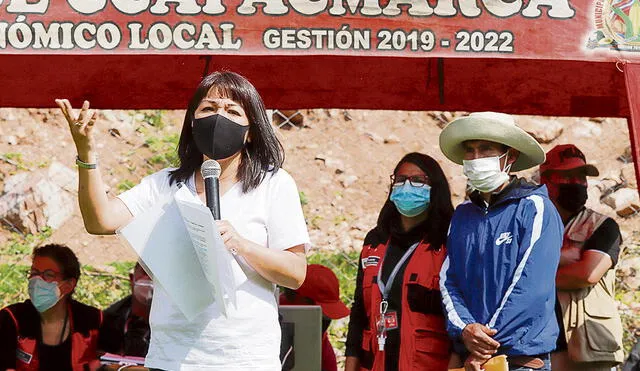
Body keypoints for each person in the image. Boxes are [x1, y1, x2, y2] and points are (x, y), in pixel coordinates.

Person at [55, 70, 310, 370]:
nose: (219, 117)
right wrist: (87, 154)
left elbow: (295, 272)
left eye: (232, 111)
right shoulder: (164, 184)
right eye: (209, 108)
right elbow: (100, 221)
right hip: (173, 357)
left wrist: (241, 244)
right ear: (192, 121)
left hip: (245, 358)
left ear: (250, 130)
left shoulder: (274, 184)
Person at [438, 112, 563, 371]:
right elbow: (448, 280)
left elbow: (531, 288)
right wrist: (465, 328)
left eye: (486, 149)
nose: (475, 158)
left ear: (511, 156)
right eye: (470, 151)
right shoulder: (462, 215)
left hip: (521, 362)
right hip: (472, 359)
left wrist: (484, 347)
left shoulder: (535, 208)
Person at [344, 152, 456, 371]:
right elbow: (359, 312)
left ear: (435, 188)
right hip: (377, 362)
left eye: (418, 181)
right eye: (401, 179)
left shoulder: (449, 241)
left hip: (427, 364)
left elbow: (459, 321)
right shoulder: (375, 240)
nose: (407, 186)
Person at [539, 144, 624, 371]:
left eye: (582, 177)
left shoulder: (603, 226)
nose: (577, 183)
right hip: (539, 345)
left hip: (588, 346)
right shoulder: (531, 224)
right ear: (546, 180)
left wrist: (533, 276)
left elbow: (587, 274)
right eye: (568, 176)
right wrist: (564, 259)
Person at [0, 243, 102, 371]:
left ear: (68, 285)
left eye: (48, 275)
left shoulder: (93, 321)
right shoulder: (12, 319)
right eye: (34, 273)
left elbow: (113, 361)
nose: (37, 280)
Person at [279, 264, 351, 371]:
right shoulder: (267, 322)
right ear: (297, 298)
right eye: (322, 315)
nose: (325, 321)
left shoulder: (321, 344)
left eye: (326, 317)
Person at [99, 262, 153, 357]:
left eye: (155, 275)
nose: (150, 279)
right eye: (145, 272)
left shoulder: (178, 321)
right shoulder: (110, 319)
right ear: (132, 279)